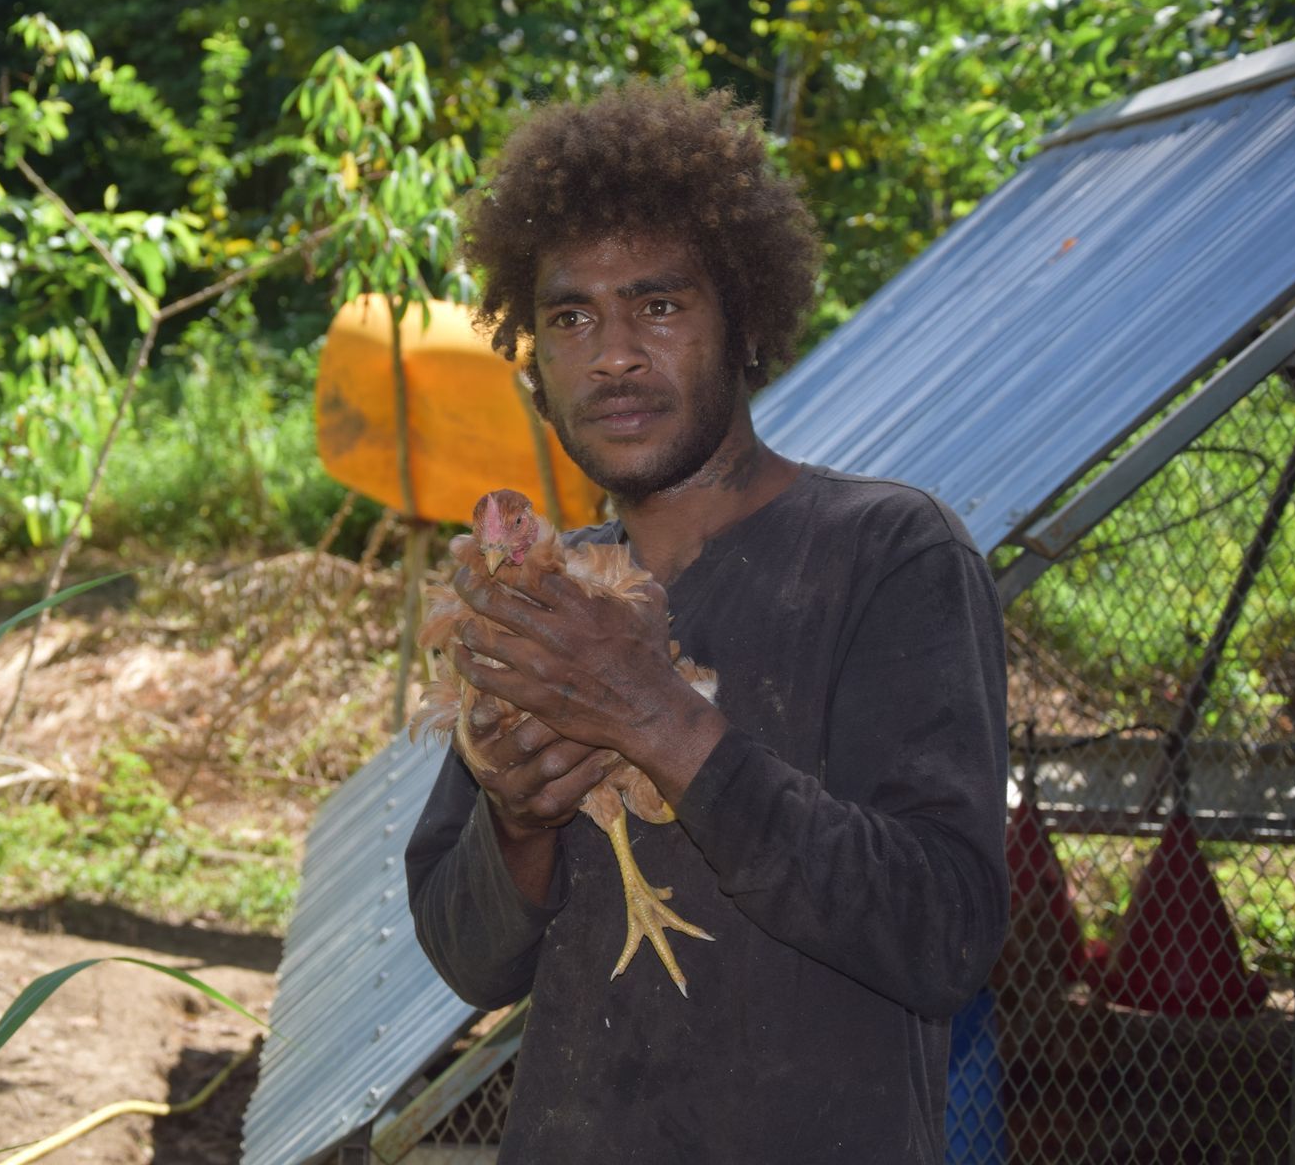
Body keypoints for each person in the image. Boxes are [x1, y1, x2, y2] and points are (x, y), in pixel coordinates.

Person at [404, 80, 1010, 1163]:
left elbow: (944, 932)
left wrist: (663, 721)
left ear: (743, 319)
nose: (615, 354)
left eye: (660, 305)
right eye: (570, 316)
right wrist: (518, 820)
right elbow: (468, 958)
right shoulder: (554, 593)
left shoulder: (889, 552)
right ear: (534, 353)